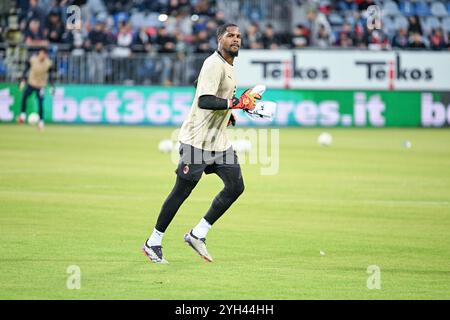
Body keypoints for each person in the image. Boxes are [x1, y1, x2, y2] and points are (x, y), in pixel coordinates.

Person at [142, 23, 261, 264]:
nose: (236, 39)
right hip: (196, 141)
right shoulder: (213, 63)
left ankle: (198, 234)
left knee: (235, 187)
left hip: (218, 142)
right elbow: (204, 100)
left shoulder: (228, 65)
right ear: (219, 39)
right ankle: (153, 242)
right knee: (182, 191)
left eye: (239, 36)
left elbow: (199, 86)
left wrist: (229, 114)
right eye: (230, 36)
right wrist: (235, 104)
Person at [17, 48, 54, 131]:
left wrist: (52, 86)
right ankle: (22, 115)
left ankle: (41, 122)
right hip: (31, 83)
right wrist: (22, 80)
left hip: (41, 86)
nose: (42, 56)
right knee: (24, 96)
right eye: (41, 54)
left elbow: (51, 76)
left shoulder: (48, 63)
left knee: (41, 103)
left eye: (44, 54)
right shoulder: (33, 60)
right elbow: (26, 70)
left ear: (45, 55)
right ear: (39, 54)